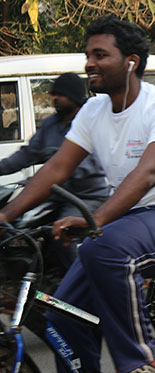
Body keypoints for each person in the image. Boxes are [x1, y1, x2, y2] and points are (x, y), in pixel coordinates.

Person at [0, 16, 155, 373]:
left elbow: (147, 175)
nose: (89, 63)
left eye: (100, 54)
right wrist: (4, 217)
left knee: (102, 245)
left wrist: (96, 219)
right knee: (61, 317)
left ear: (131, 61)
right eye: (87, 55)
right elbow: (56, 169)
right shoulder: (93, 111)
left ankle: (142, 359)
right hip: (122, 225)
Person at [0, 72, 109, 270]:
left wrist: (56, 168)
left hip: (85, 197)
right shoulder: (50, 123)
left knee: (61, 231)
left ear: (75, 97)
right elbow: (28, 154)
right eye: (54, 94)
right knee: (16, 223)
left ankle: (78, 280)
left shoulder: (90, 122)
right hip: (54, 194)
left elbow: (88, 164)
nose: (55, 99)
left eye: (61, 94)